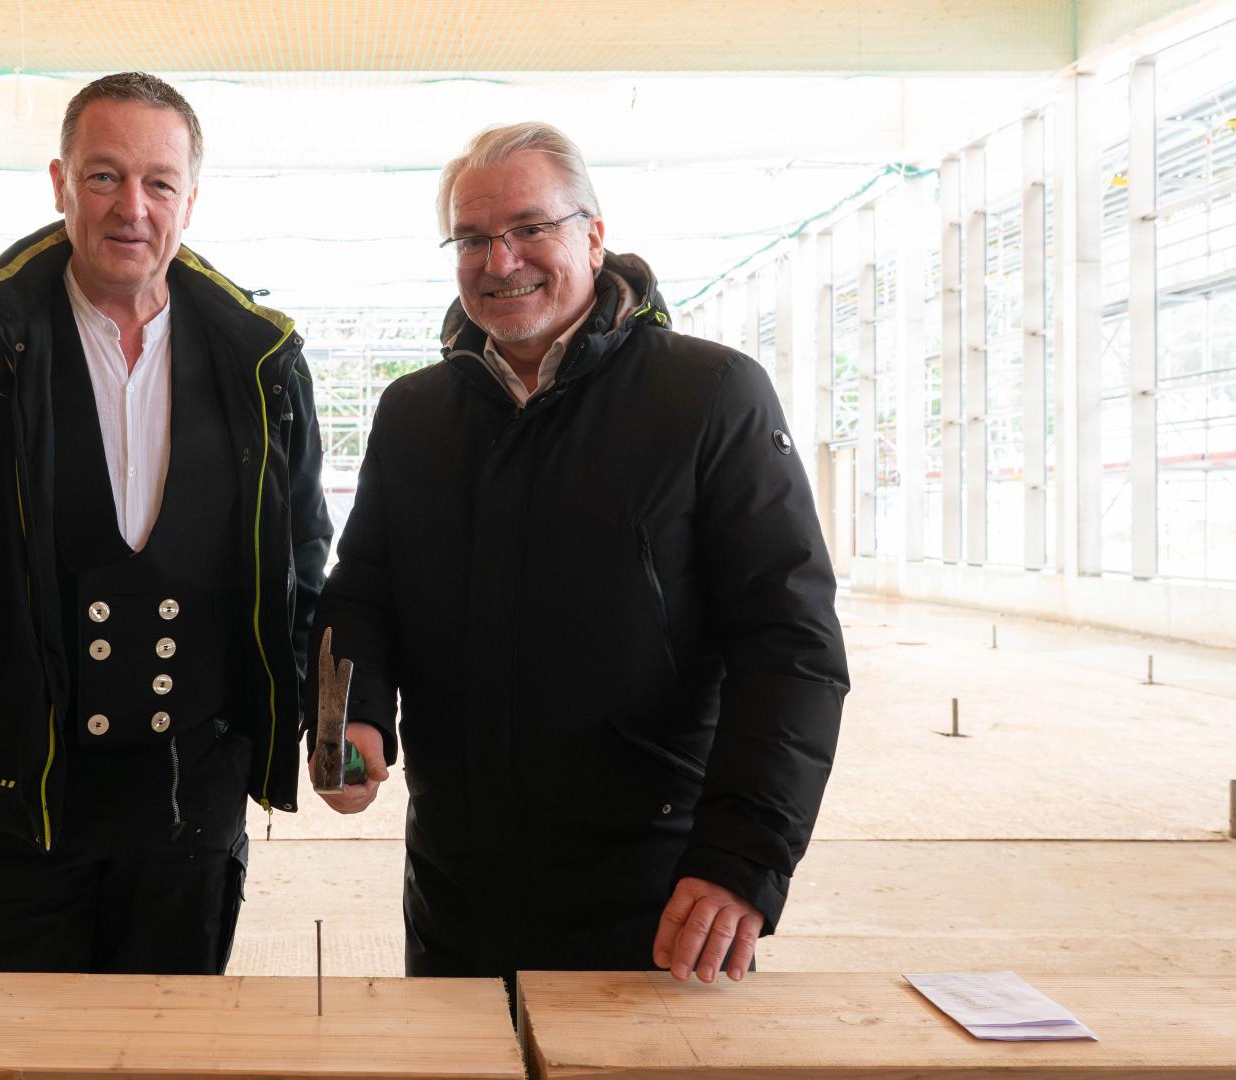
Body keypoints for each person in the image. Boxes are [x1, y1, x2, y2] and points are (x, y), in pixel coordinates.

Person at [310, 121, 847, 990]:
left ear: (593, 237)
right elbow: (365, 589)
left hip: (658, 885)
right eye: (472, 238)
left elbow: (790, 646)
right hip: (458, 880)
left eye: (530, 227)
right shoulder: (415, 413)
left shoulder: (709, 395)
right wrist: (356, 713)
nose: (501, 260)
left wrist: (744, 857)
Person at [0, 71, 330, 975]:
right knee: (7, 1043)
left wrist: (309, 714)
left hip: (192, 808)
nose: (131, 207)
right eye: (104, 176)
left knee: (170, 1040)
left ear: (190, 199)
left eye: (158, 182)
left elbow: (301, 553)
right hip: (11, 795)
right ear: (61, 184)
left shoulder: (261, 363)